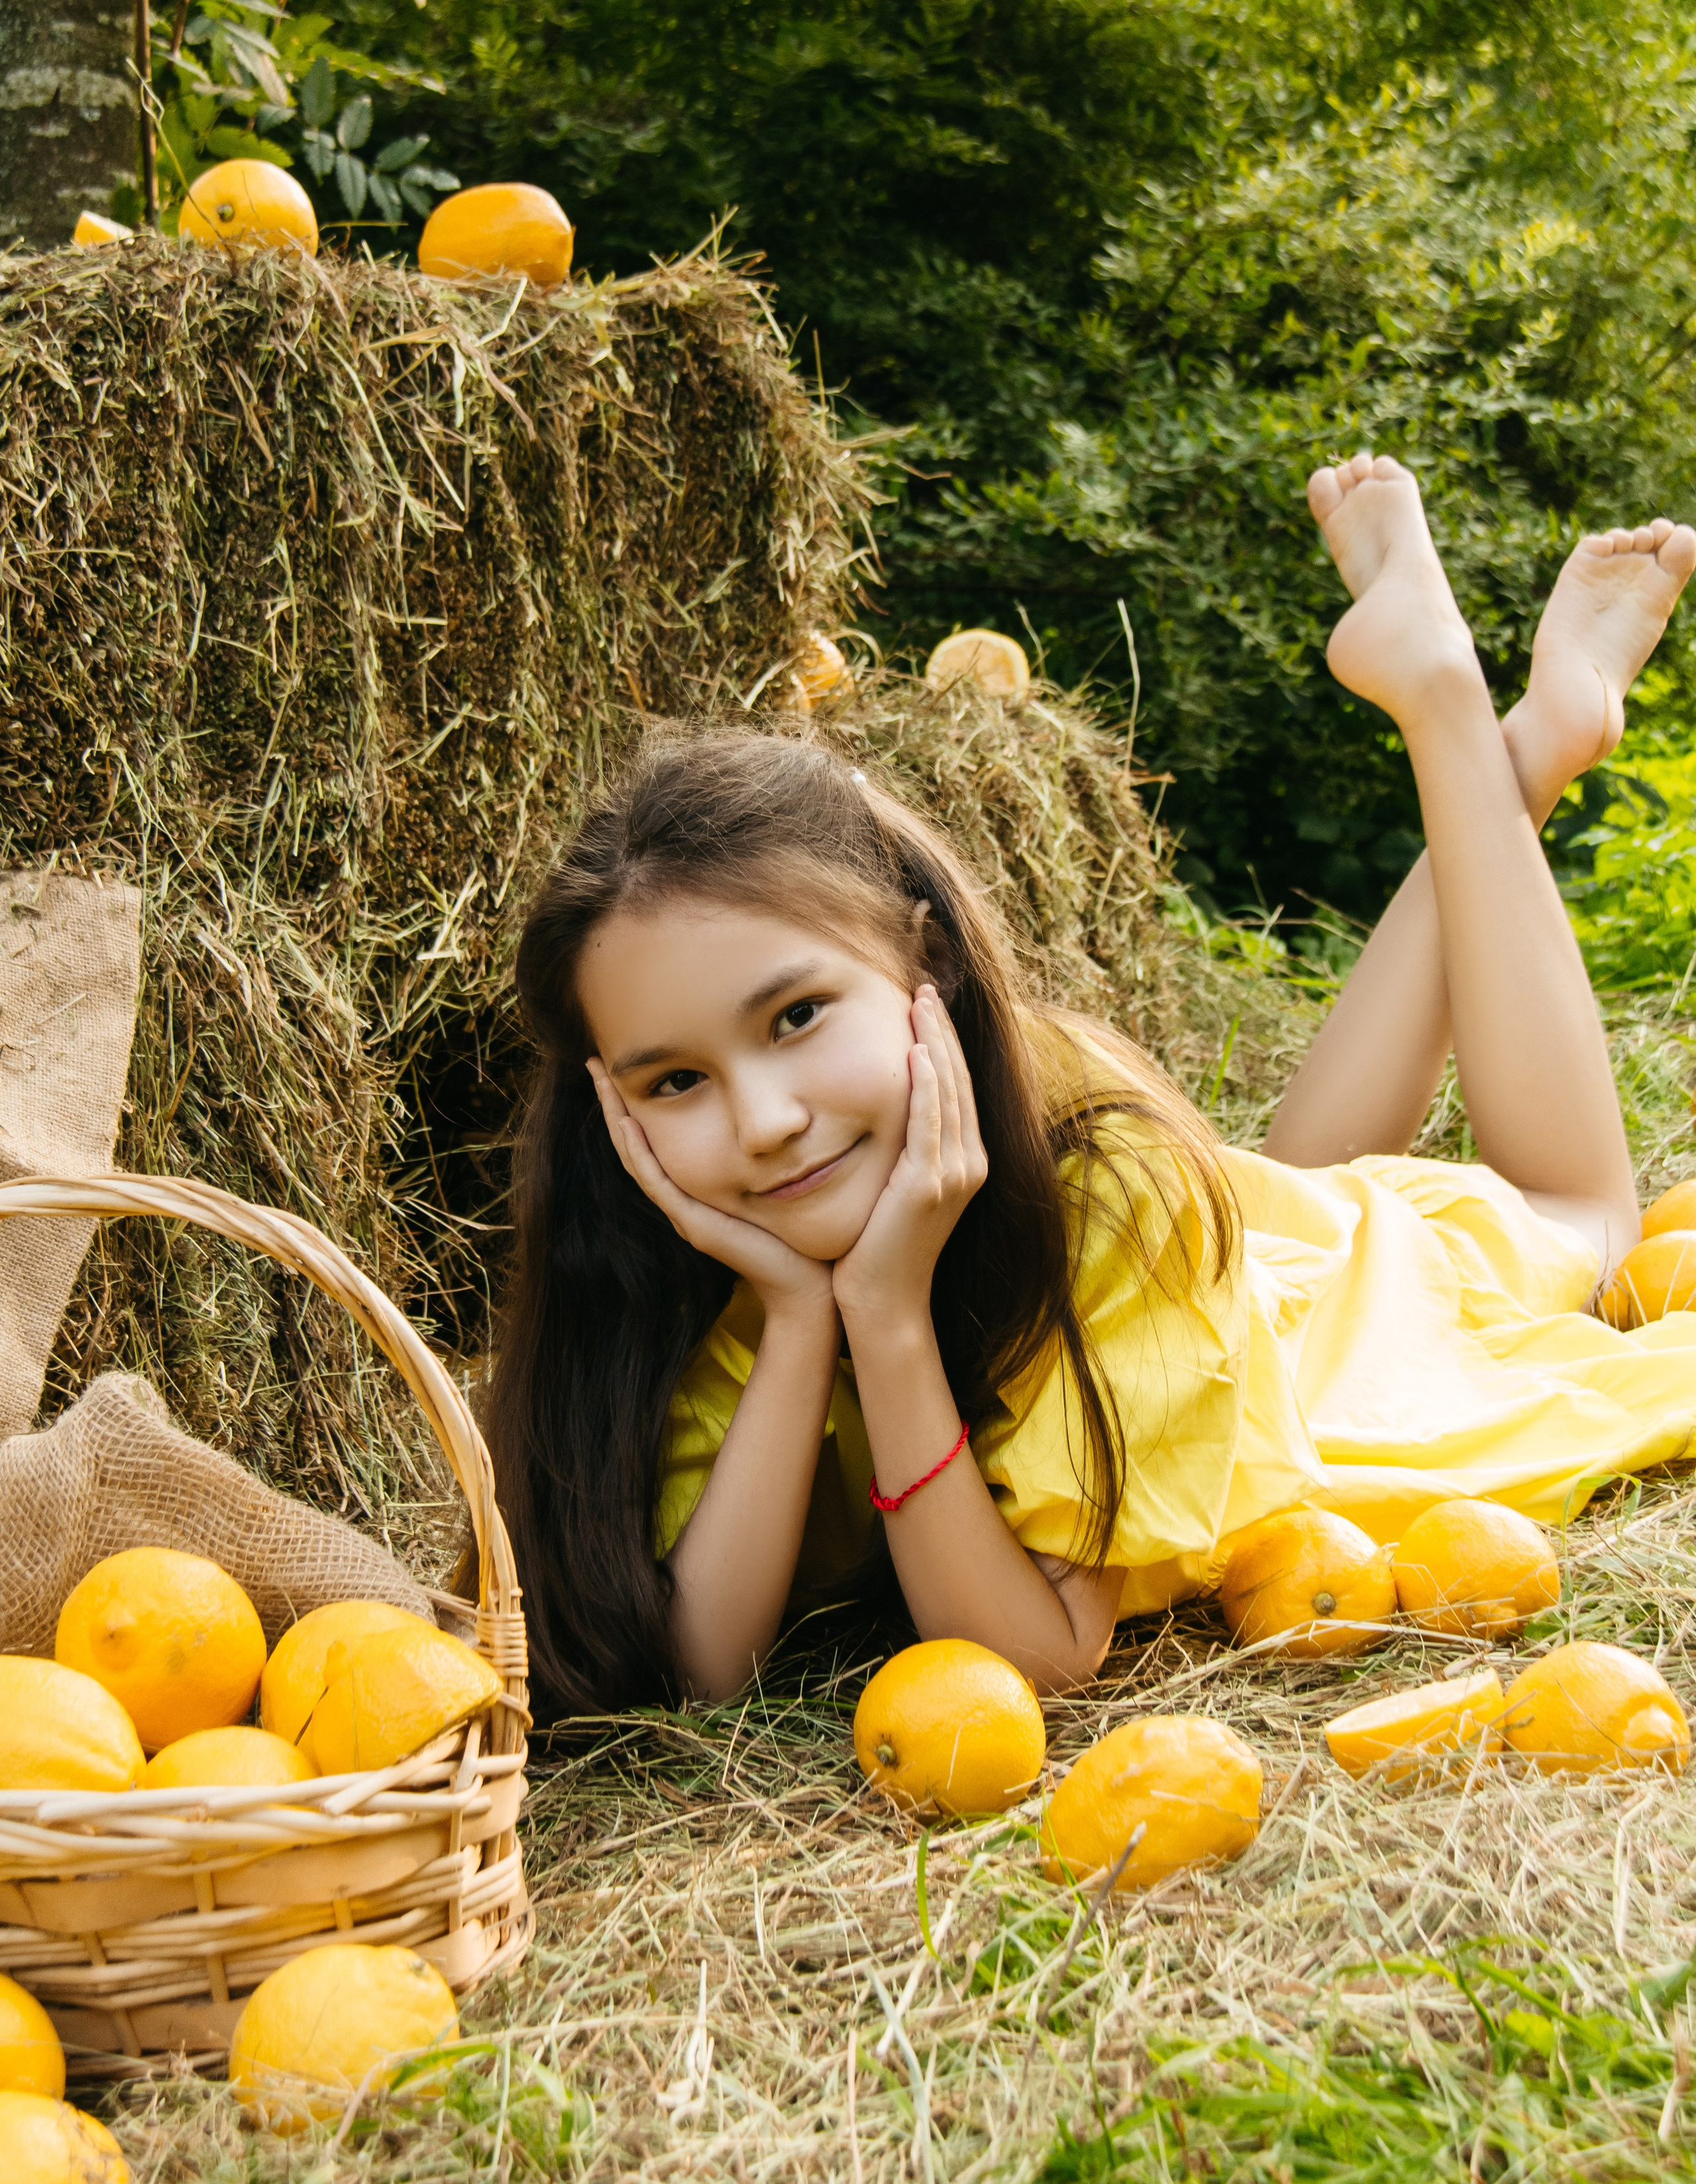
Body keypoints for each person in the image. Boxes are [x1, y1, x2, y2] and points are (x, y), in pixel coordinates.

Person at [486, 454, 1696, 1716]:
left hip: (1268, 1314)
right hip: (1207, 1260)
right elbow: (697, 1668)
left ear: (927, 958)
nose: (766, 1119)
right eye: (675, 1080)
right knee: (1298, 1180)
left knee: (1582, 1223)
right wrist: (801, 1316)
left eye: (797, 1016)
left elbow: (1038, 1657)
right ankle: (1519, 746)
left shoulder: (1101, 1167)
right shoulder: (677, 1259)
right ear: (608, 1105)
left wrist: (886, 1319)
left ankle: (1456, 707)